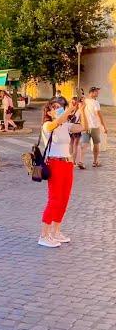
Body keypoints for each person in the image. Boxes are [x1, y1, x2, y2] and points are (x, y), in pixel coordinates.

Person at [38, 99, 87, 247]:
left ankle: (56, 232)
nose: (59, 110)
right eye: (56, 108)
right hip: (55, 163)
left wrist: (82, 110)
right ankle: (43, 235)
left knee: (64, 198)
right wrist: (67, 111)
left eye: (61, 107)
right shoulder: (48, 125)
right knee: (54, 199)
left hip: (67, 163)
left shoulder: (65, 125)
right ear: (48, 112)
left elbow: (83, 127)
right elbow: (55, 123)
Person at [82, 86, 108, 168]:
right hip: (94, 126)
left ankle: (81, 161)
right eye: (96, 92)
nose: (98, 93)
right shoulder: (95, 103)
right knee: (96, 144)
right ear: (91, 93)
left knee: (85, 144)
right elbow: (99, 115)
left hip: (85, 126)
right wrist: (104, 126)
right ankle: (95, 161)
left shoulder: (84, 101)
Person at [68, 97, 85, 169]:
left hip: (69, 128)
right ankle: (73, 161)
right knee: (75, 145)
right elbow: (82, 120)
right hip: (77, 128)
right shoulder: (79, 111)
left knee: (71, 144)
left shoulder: (68, 110)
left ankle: (71, 160)